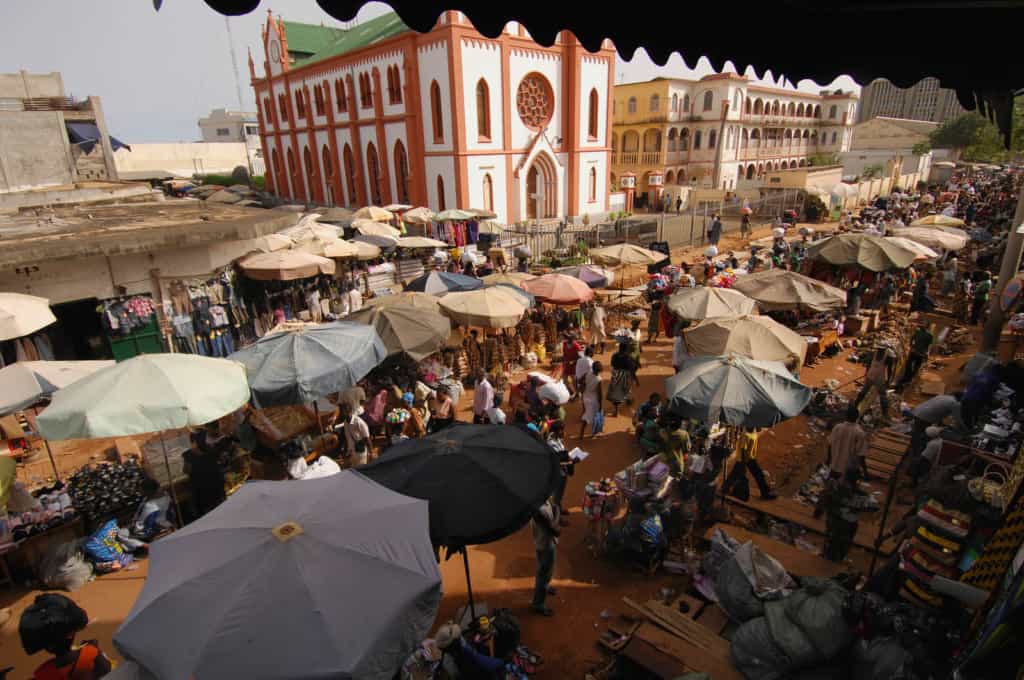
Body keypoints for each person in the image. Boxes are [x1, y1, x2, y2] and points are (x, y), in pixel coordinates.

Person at [18, 594, 113, 679]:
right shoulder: (92, 654)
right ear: (70, 634)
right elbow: (108, 671)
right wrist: (92, 649)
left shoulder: (41, 673)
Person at [183, 425, 226, 519]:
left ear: (194, 442)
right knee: (220, 507)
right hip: (216, 483)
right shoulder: (213, 450)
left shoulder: (189, 455)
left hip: (201, 487)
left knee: (206, 512)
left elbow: (186, 471)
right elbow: (222, 461)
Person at [722, 427, 776, 500]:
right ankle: (765, 493)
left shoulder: (753, 432)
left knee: (737, 474)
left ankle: (725, 488)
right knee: (757, 474)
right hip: (743, 459)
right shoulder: (747, 434)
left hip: (749, 458)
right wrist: (743, 464)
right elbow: (743, 449)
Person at [530, 497, 560, 616]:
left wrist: (556, 512)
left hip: (546, 543)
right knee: (544, 573)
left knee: (547, 570)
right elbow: (556, 530)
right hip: (545, 545)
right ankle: (538, 604)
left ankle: (545, 587)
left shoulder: (543, 500)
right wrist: (557, 512)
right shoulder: (538, 511)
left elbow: (553, 513)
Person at [854, 346, 896, 421]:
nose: (879, 351)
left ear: (884, 350)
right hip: (870, 376)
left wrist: (888, 380)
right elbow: (869, 363)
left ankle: (885, 413)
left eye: (881, 350)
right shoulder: (873, 353)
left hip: (879, 379)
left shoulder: (887, 357)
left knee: (883, 396)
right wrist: (866, 373)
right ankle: (855, 406)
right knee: (863, 392)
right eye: (879, 349)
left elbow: (890, 369)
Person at [828, 407, 869, 483]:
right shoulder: (860, 433)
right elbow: (861, 455)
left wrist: (829, 461)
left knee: (831, 487)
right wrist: (865, 472)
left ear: (846, 416)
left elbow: (830, 445)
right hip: (848, 470)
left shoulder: (837, 427)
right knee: (844, 490)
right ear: (857, 417)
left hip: (834, 466)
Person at [607, 341, 638, 417]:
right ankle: (627, 399)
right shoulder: (629, 357)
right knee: (626, 389)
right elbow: (632, 370)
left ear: (620, 348)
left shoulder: (614, 356)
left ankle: (616, 411)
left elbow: (612, 365)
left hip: (616, 375)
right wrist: (636, 379)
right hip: (626, 376)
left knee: (615, 393)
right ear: (626, 349)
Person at [898, 324, 934, 388]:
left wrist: (911, 346)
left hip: (915, 352)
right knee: (915, 367)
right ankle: (909, 379)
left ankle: (907, 378)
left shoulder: (919, 332)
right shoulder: (929, 335)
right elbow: (929, 346)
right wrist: (926, 353)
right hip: (920, 353)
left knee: (909, 365)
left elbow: (912, 339)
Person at [579, 361, 604, 439]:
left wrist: (584, 385)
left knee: (589, 414)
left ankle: (584, 434)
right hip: (593, 400)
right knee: (591, 416)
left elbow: (580, 380)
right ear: (600, 370)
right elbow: (600, 394)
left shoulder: (588, 373)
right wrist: (600, 405)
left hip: (585, 396)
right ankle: (587, 434)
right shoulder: (598, 379)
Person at [561, 332, 583, 396]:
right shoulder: (564, 344)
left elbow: (581, 356)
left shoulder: (576, 346)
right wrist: (563, 361)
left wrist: (574, 361)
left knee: (574, 380)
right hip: (567, 364)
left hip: (574, 365)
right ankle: (570, 391)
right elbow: (564, 354)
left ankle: (577, 392)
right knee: (564, 379)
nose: (565, 339)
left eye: (566, 338)